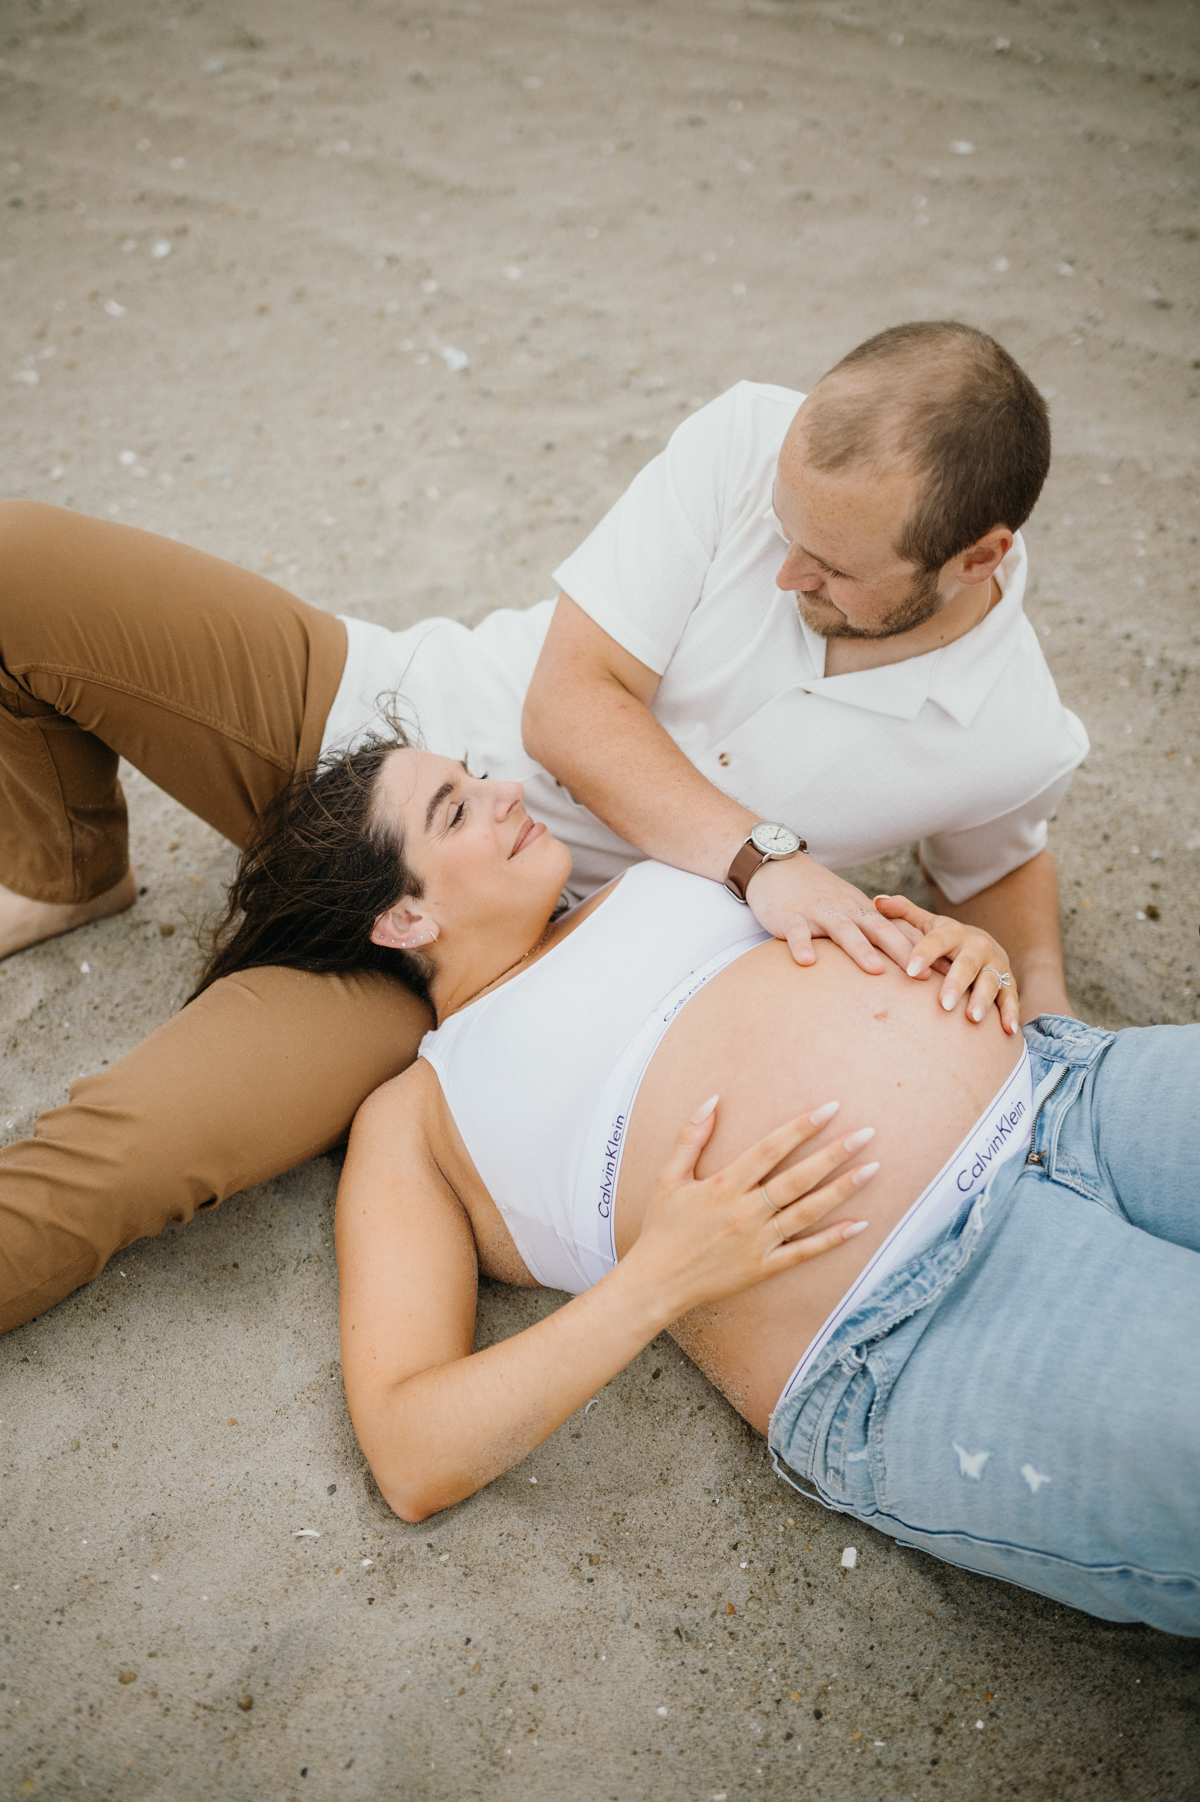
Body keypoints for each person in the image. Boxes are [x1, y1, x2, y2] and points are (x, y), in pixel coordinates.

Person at [0, 319, 1087, 1333]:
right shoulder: (749, 439)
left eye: (834, 568)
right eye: (782, 531)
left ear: (976, 559)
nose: (786, 571)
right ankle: (67, 869)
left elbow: (997, 858)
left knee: (114, 1162)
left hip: (492, 950)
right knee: (18, 562)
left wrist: (1046, 1023)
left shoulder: (1013, 735)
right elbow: (569, 704)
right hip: (381, 726)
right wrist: (764, 859)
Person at [296, 738, 1195, 1633]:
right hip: (920, 1317)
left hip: (1074, 1089)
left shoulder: (654, 872)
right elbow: (410, 1452)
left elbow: (848, 923)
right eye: (455, 809)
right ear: (403, 919)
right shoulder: (419, 1118)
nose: (507, 792)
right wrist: (661, 1277)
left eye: (475, 772)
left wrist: (956, 945)